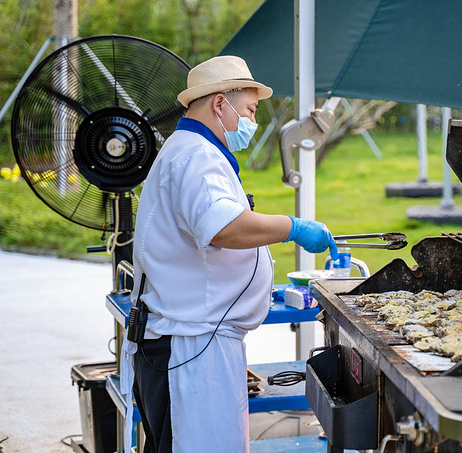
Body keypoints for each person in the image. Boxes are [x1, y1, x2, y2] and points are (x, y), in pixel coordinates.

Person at [126, 55, 337, 453]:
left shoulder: (189, 149)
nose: (252, 123)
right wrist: (292, 226)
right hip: (189, 347)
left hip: (196, 340)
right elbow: (225, 228)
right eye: (249, 111)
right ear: (219, 103)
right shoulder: (196, 156)